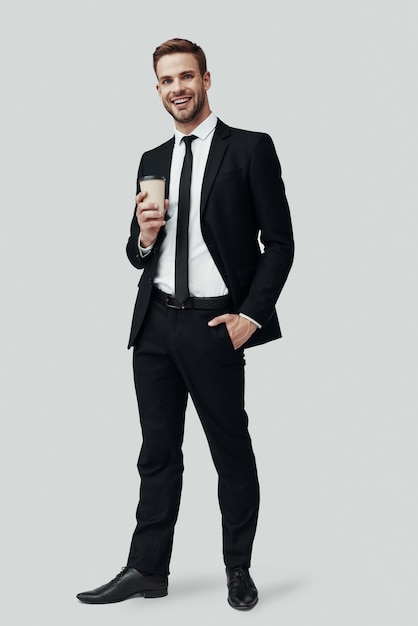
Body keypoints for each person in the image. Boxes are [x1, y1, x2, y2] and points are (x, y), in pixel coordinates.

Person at [77, 37, 294, 611]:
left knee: (230, 451)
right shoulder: (152, 159)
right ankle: (147, 568)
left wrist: (250, 316)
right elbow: (135, 251)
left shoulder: (249, 149)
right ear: (157, 89)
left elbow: (280, 243)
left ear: (206, 79)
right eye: (167, 80)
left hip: (214, 324)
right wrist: (145, 237)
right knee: (156, 452)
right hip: (154, 324)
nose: (178, 88)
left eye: (186, 76)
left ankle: (238, 569)